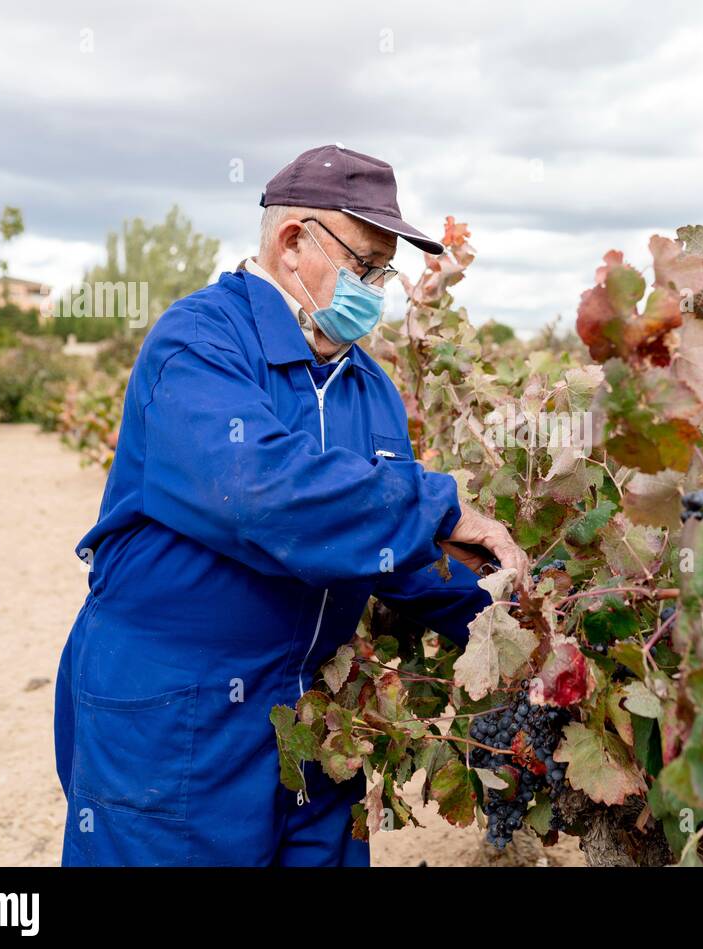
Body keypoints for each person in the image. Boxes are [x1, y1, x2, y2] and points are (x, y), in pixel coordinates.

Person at [53, 145, 527, 866]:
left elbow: (392, 553)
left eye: (383, 272)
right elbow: (256, 491)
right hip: (175, 717)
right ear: (293, 241)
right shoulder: (200, 341)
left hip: (312, 725)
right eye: (365, 264)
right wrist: (435, 509)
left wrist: (515, 616)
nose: (376, 287)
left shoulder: (367, 384)